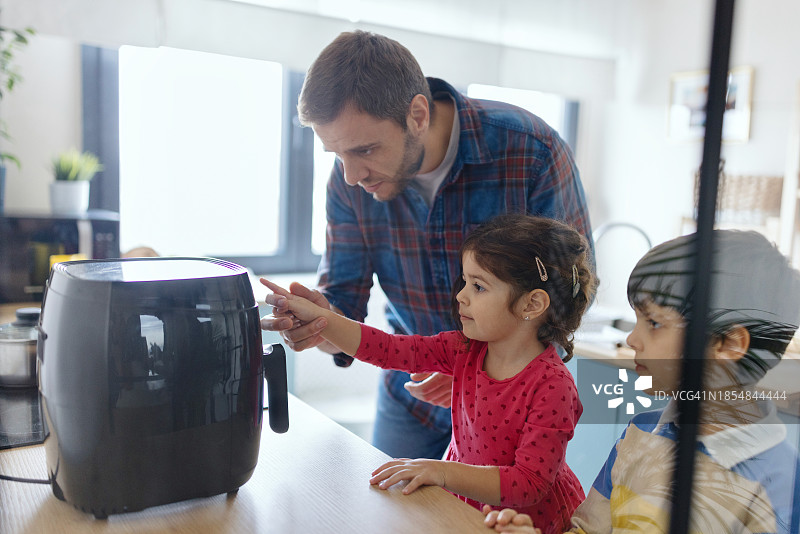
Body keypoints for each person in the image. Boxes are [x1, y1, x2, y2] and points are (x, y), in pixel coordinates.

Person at [260, 29, 593, 461]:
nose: (351, 176)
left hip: (509, 398)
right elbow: (343, 304)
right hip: (411, 396)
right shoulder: (348, 185)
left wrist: (482, 367)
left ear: (417, 115)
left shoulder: (531, 151)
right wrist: (319, 323)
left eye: (365, 150)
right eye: (337, 155)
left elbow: (568, 290)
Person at [262, 214, 596, 533]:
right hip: (467, 507)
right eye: (465, 282)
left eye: (478, 287)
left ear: (531, 305)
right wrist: (321, 320)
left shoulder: (553, 386)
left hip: (526, 523)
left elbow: (529, 483)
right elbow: (387, 349)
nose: (461, 296)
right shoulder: (465, 349)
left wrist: (441, 470)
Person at [483, 229, 800, 533]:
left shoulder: (781, 480)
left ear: (728, 344)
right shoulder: (641, 431)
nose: (633, 339)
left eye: (654, 323)